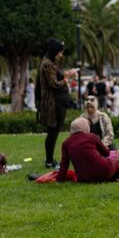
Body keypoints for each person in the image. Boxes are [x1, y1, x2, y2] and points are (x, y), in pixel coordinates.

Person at [57, 118, 119, 183]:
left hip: (83, 179)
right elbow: (106, 153)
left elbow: (64, 164)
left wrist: (59, 180)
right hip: (102, 171)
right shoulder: (91, 136)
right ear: (86, 127)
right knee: (114, 163)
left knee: (102, 171)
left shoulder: (66, 142)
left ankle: (114, 178)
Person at [36, 38, 73, 169]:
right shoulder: (47, 64)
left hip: (56, 102)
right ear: (54, 51)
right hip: (53, 103)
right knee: (53, 131)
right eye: (59, 52)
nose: (60, 55)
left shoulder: (49, 62)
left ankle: (50, 160)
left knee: (54, 131)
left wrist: (65, 75)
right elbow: (54, 84)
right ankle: (49, 161)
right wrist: (66, 79)